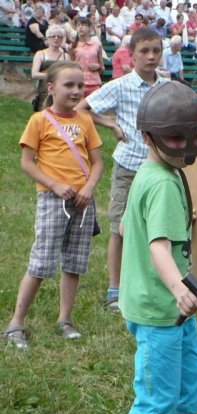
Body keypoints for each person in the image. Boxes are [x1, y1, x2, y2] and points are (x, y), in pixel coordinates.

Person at [120, 81, 197, 414]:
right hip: (162, 309)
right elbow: (158, 247)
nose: (186, 145)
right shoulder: (161, 182)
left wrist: (179, 217)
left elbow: (129, 226)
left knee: (188, 383)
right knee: (156, 392)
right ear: (148, 137)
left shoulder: (163, 172)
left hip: (176, 309)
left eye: (192, 135)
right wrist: (179, 288)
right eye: (175, 137)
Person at [3, 61, 103, 349]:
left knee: (74, 262)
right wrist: (55, 185)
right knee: (42, 261)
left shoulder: (84, 121)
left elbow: (97, 162)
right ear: (51, 87)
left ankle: (65, 318)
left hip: (84, 201)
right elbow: (26, 163)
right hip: (52, 200)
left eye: (80, 86)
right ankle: (16, 323)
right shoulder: (39, 121)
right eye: (69, 85)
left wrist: (89, 187)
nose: (76, 91)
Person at [75, 28, 169, 311]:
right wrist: (111, 124)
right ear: (131, 55)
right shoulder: (121, 85)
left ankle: (153, 281)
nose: (151, 56)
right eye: (145, 51)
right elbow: (83, 108)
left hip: (159, 168)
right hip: (129, 166)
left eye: (156, 50)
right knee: (119, 226)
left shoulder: (166, 86)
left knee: (156, 227)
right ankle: (115, 289)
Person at [30, 25, 70, 112]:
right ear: (47, 38)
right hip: (43, 90)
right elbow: (34, 74)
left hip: (60, 91)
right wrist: (54, 76)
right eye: (53, 36)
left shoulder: (66, 56)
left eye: (59, 36)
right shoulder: (40, 54)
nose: (56, 38)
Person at [71, 17, 104, 97]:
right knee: (78, 108)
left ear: (90, 28)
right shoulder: (72, 46)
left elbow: (102, 68)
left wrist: (98, 66)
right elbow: (70, 66)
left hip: (94, 82)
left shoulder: (97, 45)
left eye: (83, 25)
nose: (80, 27)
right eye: (78, 25)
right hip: (78, 82)